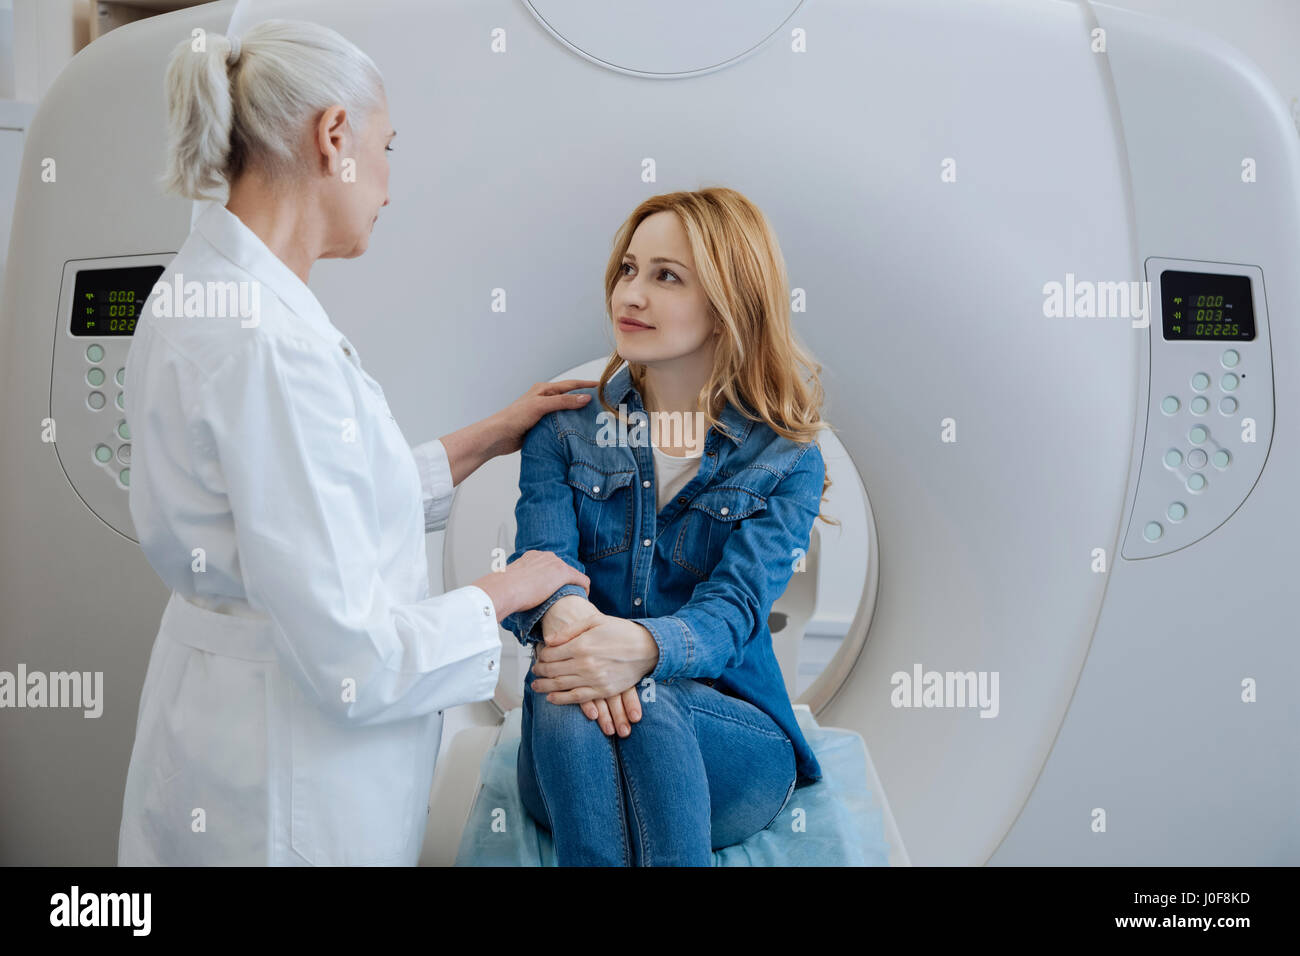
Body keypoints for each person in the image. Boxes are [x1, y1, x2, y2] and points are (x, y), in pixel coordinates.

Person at [118, 19, 591, 866]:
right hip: (286, 784)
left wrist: (489, 435)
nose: (386, 185)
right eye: (387, 147)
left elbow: (320, 501)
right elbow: (356, 657)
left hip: (233, 726)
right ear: (333, 135)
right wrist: (505, 590)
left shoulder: (215, 292)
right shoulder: (266, 344)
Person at [502, 187, 835, 865]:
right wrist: (579, 633)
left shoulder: (785, 459)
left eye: (666, 277)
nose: (631, 295)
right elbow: (541, 569)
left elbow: (733, 613)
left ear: (724, 307)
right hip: (572, 740)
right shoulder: (562, 431)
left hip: (730, 750)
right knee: (569, 687)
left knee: (631, 694)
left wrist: (638, 651)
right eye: (628, 269)